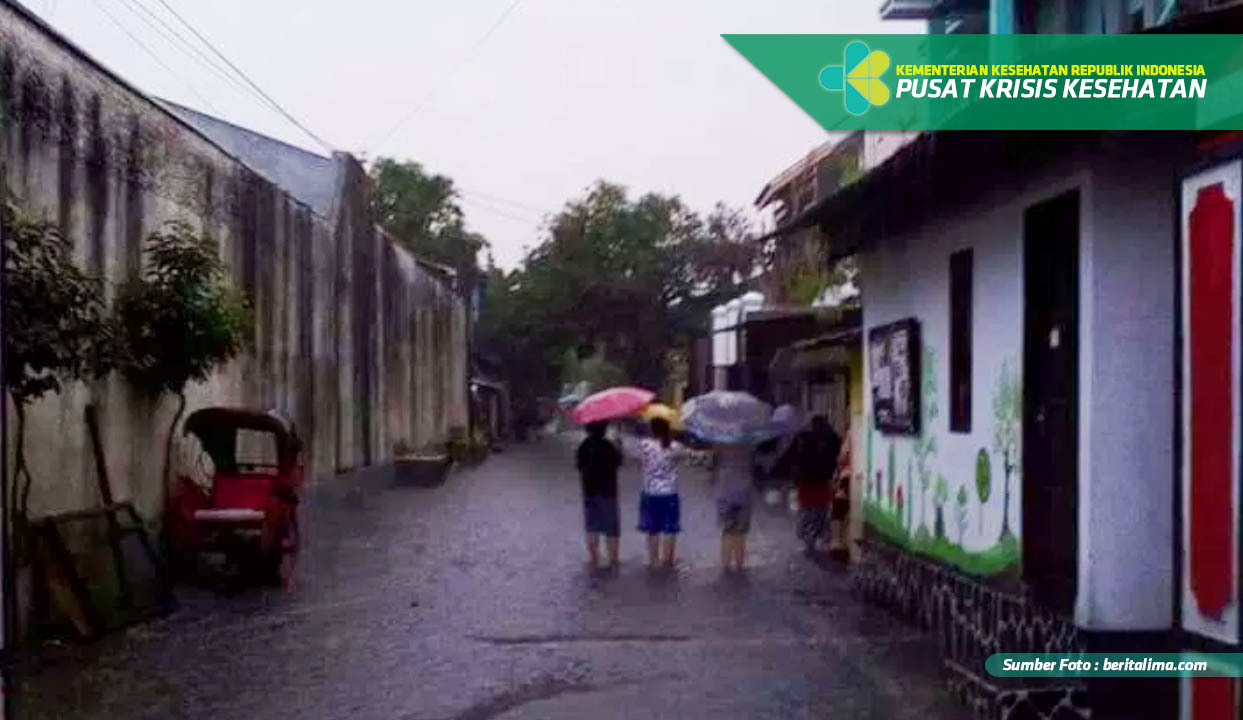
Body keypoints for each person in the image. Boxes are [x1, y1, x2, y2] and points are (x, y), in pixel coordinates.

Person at [785, 415, 842, 555]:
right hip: (822, 480)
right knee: (821, 509)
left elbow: (792, 457)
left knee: (807, 509)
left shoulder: (803, 437)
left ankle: (807, 537)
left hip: (807, 481)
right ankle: (818, 536)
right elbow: (836, 453)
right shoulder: (832, 437)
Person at [635, 417, 688, 568]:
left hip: (650, 493)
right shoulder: (675, 446)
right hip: (670, 493)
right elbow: (683, 457)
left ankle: (653, 560)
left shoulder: (644, 445)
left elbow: (637, 460)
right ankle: (668, 560)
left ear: (652, 429)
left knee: (652, 529)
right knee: (670, 529)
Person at [576, 421, 623, 568]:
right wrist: (619, 446)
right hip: (608, 492)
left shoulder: (583, 446)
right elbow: (619, 462)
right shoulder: (608, 446)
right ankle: (613, 560)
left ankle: (594, 559)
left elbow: (579, 466)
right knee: (611, 528)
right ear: (604, 430)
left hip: (589, 492)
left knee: (592, 527)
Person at [712, 442, 754, 571]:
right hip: (744, 491)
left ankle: (726, 565)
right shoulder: (749, 444)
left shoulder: (720, 444)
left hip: (725, 490)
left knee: (727, 530)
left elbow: (714, 463)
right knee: (741, 531)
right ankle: (739, 565)